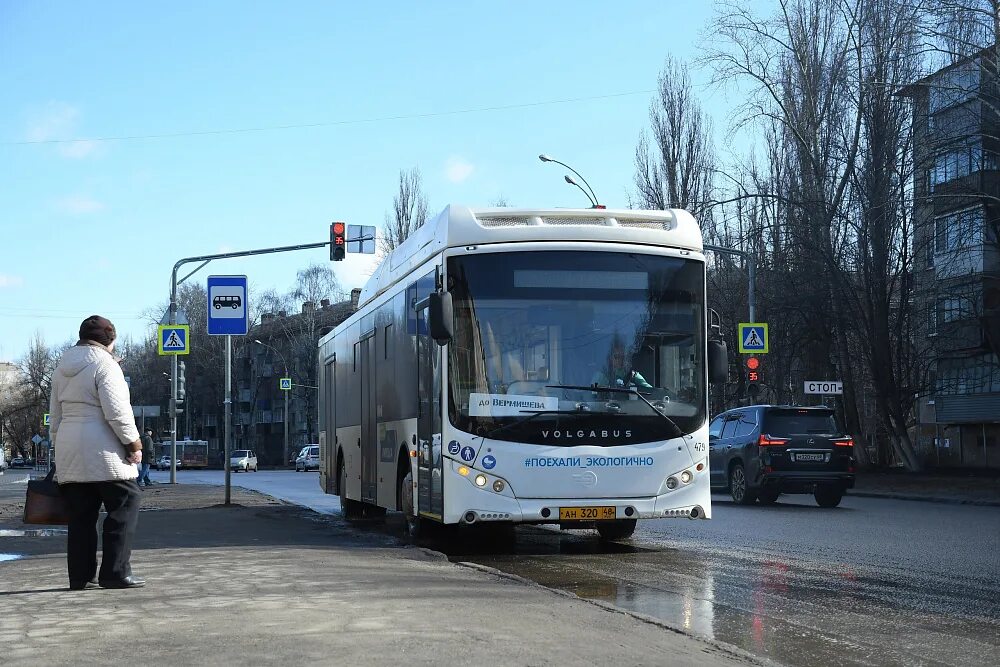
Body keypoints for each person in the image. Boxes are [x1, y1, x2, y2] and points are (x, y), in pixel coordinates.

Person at [50, 315, 145, 590]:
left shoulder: (61, 367)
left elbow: (54, 417)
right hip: (103, 447)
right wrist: (134, 445)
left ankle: (80, 577)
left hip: (69, 445)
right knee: (126, 501)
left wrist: (59, 447)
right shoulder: (105, 365)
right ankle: (115, 573)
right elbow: (117, 413)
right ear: (110, 339)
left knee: (81, 515)